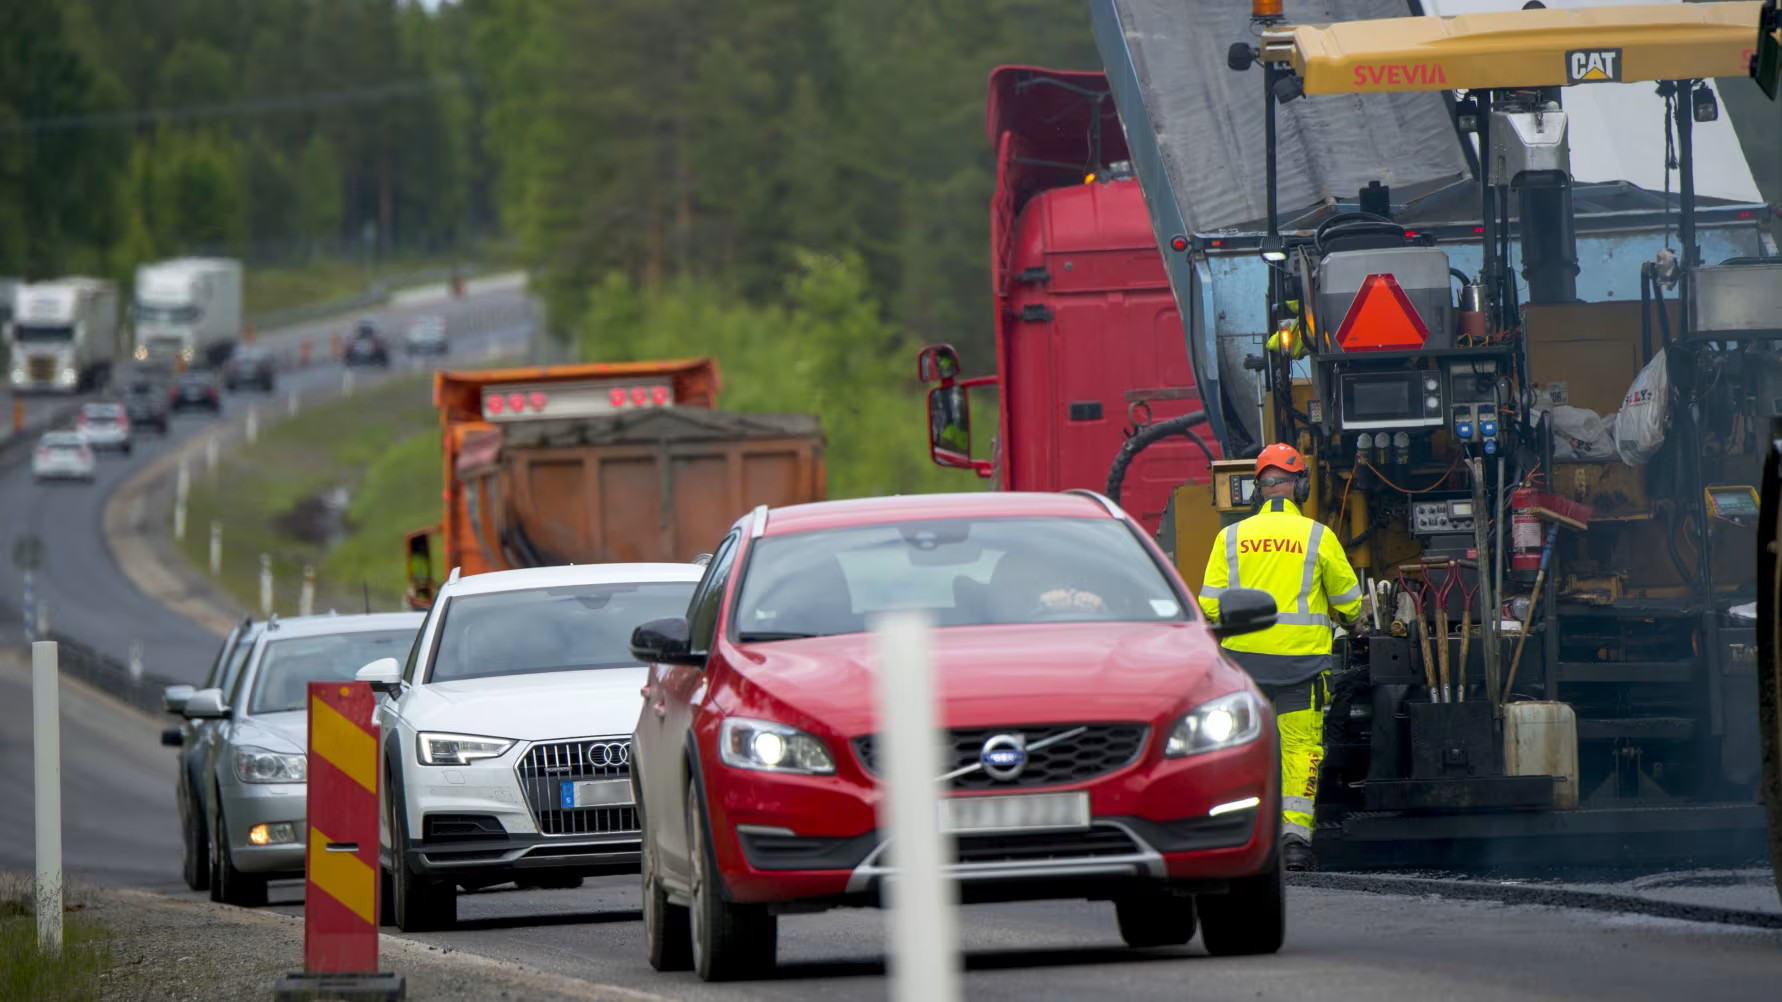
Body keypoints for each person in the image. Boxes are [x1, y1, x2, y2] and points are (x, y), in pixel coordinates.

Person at [1198, 443, 1362, 872]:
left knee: (1241, 748)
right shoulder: (1318, 537)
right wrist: (1350, 621)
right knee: (1301, 749)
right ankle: (1294, 842)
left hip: (1243, 671)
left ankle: (1241, 836)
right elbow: (1350, 605)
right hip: (1301, 670)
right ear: (1300, 487)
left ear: (1259, 489)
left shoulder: (1229, 538)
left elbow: (1209, 606)